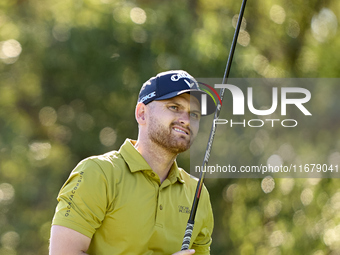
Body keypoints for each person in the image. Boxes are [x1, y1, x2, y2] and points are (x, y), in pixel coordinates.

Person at [49, 70, 215, 255]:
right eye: (174, 107)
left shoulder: (198, 194)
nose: (186, 120)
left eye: (194, 114)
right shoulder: (98, 173)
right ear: (142, 113)